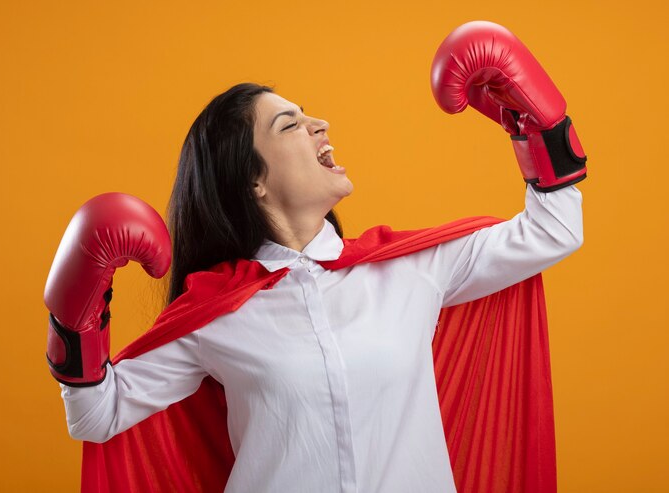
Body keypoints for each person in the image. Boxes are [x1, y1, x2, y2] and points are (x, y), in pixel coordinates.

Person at [45, 21, 586, 493]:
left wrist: (536, 125)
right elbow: (98, 414)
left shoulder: (411, 267)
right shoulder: (216, 311)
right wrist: (75, 316)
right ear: (254, 180)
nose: (320, 125)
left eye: (307, 117)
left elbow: (553, 232)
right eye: (290, 125)